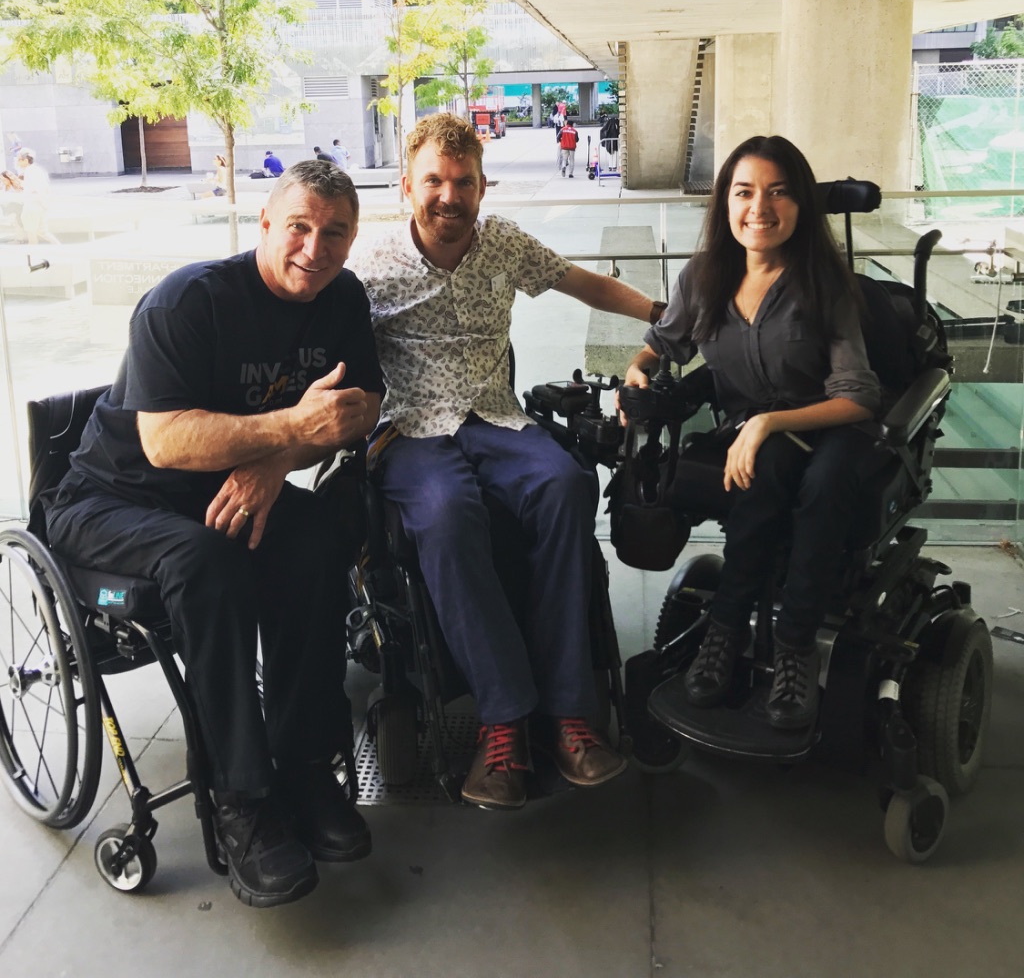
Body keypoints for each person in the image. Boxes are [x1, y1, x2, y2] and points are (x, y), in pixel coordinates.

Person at [44, 160, 385, 908]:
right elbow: (166, 443)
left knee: (317, 539)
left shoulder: (343, 301)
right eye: (298, 227)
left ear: (352, 240)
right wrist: (289, 429)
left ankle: (301, 766)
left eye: (334, 233)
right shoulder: (188, 302)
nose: (314, 248)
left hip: (222, 490)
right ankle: (241, 801)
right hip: (108, 501)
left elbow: (354, 414)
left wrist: (277, 459)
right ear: (264, 225)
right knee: (207, 561)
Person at [348, 112, 666, 811]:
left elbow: (585, 284)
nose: (448, 196)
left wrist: (669, 320)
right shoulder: (369, 269)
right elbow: (319, 335)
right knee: (447, 513)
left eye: (462, 182)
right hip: (412, 432)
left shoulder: (503, 247)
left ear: (483, 188)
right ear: (407, 187)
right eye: (434, 181)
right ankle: (504, 722)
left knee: (566, 485)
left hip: (498, 419)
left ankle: (571, 715)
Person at [620, 135, 881, 731]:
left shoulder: (825, 284)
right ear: (725, 202)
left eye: (778, 192)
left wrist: (766, 422)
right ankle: (725, 629)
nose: (759, 208)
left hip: (827, 425)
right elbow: (664, 344)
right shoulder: (703, 278)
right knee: (761, 483)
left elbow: (859, 396)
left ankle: (794, 645)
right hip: (758, 440)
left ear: (799, 205)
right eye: (745, 192)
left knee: (823, 485)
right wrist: (639, 369)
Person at [15, 149, 58, 244]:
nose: (17, 162)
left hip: (33, 205)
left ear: (25, 160)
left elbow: (39, 189)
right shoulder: (34, 170)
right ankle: (59, 247)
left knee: (31, 231)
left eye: (19, 160)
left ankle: (33, 253)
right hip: (38, 204)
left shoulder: (30, 171)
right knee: (41, 231)